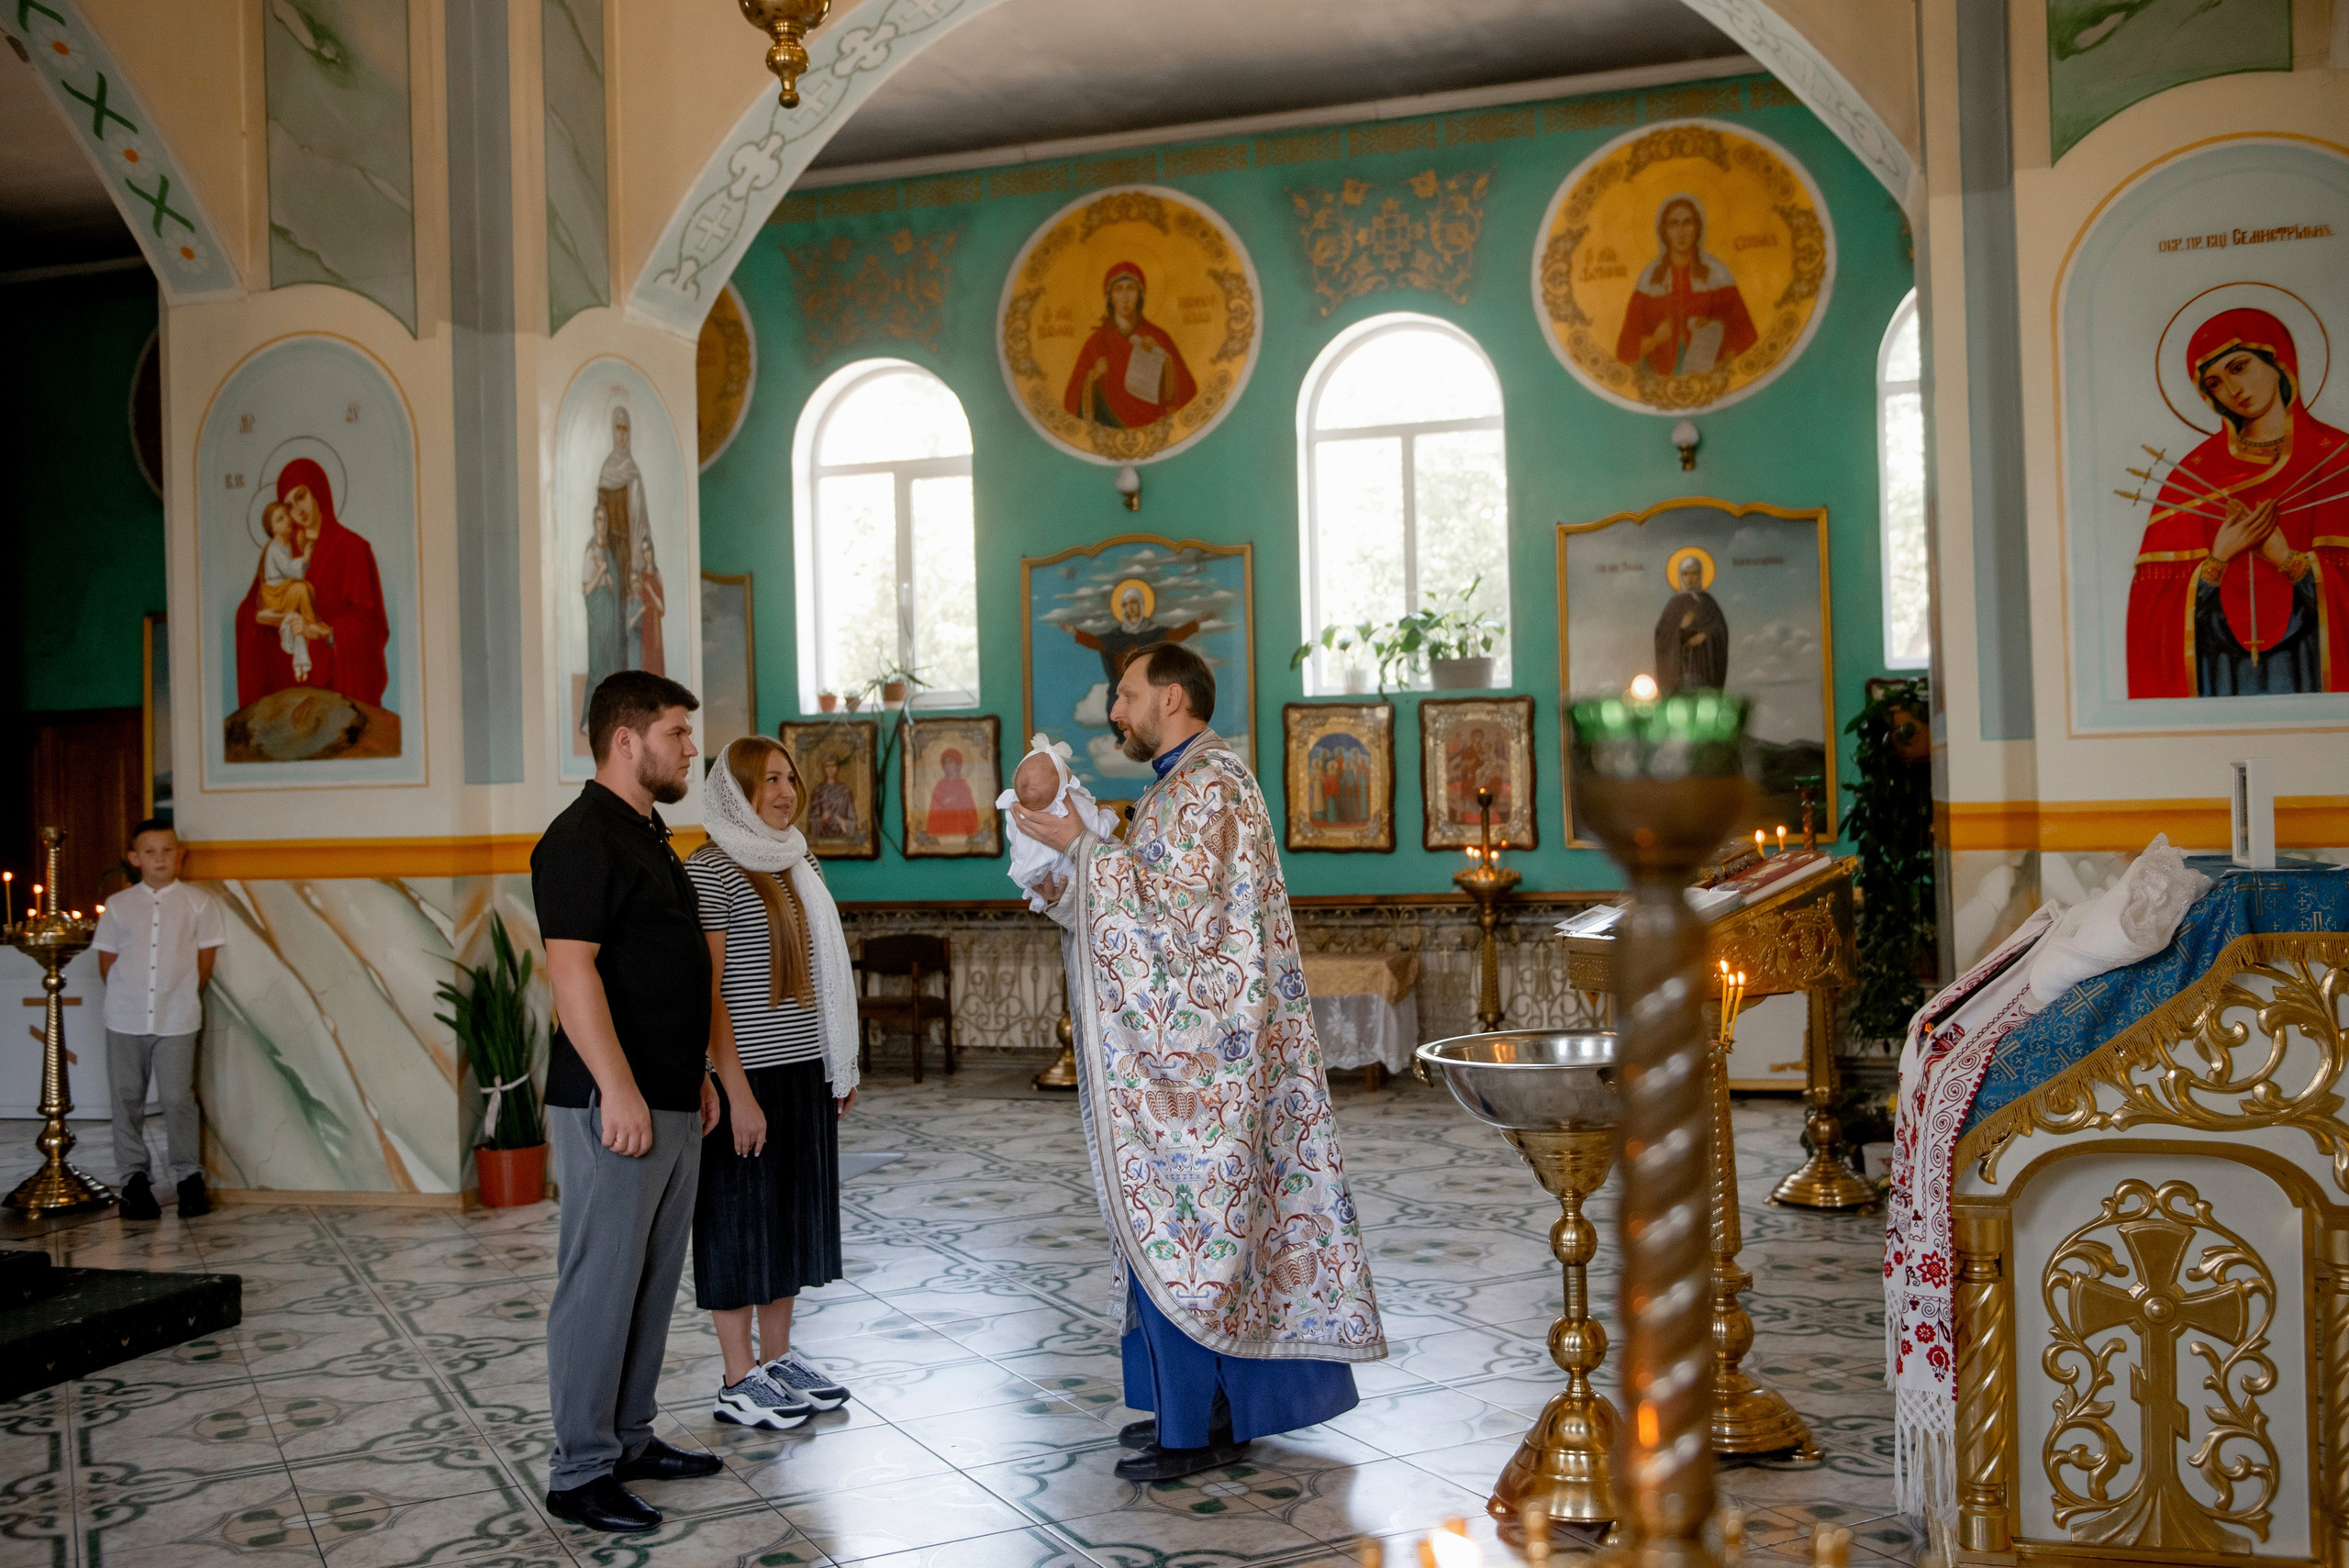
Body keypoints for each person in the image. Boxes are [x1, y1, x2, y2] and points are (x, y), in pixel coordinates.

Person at [1012, 642, 1386, 1483]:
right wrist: (1073, 878)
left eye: (1127, 694)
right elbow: (1158, 908)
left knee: (1193, 1231)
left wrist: (1084, 851)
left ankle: (1199, 1426)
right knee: (1194, 1233)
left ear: (1171, 698)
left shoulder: (1211, 785)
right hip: (1196, 1053)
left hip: (1206, 1063)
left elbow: (1174, 923)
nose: (1115, 711)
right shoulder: (1184, 785)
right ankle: (1199, 1409)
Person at [531, 670, 726, 1533]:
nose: (691, 747)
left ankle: (630, 1437)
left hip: (672, 1098)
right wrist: (618, 1086)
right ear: (626, 737)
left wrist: (698, 1077)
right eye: (678, 732)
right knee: (600, 1282)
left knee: (649, 1282)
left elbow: (672, 972)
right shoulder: (580, 839)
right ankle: (579, 1470)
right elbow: (571, 972)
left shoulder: (651, 834)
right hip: (612, 1102)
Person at [686, 737, 863, 1432]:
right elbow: (707, 993)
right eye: (768, 780)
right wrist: (735, 1091)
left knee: (790, 1215)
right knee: (737, 1219)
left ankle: (779, 1358)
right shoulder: (711, 870)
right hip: (747, 1075)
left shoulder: (796, 858)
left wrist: (837, 1063)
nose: (786, 791)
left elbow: (824, 975)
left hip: (803, 1070)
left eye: (789, 778)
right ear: (735, 791)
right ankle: (737, 1374)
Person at [2125, 307, 2349, 696]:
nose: (2232, 389)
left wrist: (2287, 560)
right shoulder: (2191, 479)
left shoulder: (2337, 461)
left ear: (2277, 360)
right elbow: (2154, 611)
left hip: (2312, 668)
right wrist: (2219, 558)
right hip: (2224, 670)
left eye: (2239, 367)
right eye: (2214, 382)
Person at [92, 818, 223, 1222]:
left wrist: (178, 996)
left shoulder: (199, 903)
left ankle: (189, 1180)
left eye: (168, 850)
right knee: (127, 1097)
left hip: (177, 1017)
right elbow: (107, 963)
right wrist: (129, 998)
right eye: (150, 852)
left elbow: (204, 964)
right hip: (125, 1017)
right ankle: (134, 1182)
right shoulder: (118, 905)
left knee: (177, 1099)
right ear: (135, 859)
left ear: (180, 856)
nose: (160, 859)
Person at [232, 457, 391, 709]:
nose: (298, 509)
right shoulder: (284, 549)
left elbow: (370, 627)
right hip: (287, 689)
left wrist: (324, 633)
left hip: (333, 685)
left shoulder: (352, 549)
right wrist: (270, 619)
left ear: (317, 491)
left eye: (301, 496)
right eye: (288, 505)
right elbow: (251, 608)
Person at [1614, 195, 1758, 377]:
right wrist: (1656, 339)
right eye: (1673, 224)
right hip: (1662, 379)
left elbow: (1746, 337)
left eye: (1687, 223)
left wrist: (1714, 328)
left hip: (1709, 376)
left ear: (1698, 228)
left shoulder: (1718, 275)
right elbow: (1625, 351)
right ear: (1664, 231)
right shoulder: (1649, 280)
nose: (1681, 232)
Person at [1062, 262, 1199, 429]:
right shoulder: (1097, 342)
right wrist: (1092, 377)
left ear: (1140, 295)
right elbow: (1071, 400)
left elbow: (1186, 391)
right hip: (1110, 424)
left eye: (1131, 289)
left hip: (1155, 426)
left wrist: (1161, 358)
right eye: (1118, 290)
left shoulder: (1159, 337)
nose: (1125, 297)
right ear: (1110, 297)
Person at [996, 733, 1118, 914]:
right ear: (1066, 783)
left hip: (1037, 874)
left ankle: (1039, 902)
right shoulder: (1075, 806)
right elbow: (1101, 831)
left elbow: (1015, 843)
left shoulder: (1015, 809)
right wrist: (1109, 813)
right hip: (1078, 875)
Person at [255, 500, 329, 684]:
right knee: (301, 588)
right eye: (280, 519)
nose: (287, 520)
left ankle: (310, 629)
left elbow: (299, 572)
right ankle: (313, 623)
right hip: (275, 594)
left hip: (283, 590)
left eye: (286, 516)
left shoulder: (287, 543)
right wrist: (305, 557)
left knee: (305, 588)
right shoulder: (274, 548)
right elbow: (290, 569)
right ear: (272, 529)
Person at [1654, 551, 1731, 694]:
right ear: (1680, 576)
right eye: (1686, 573)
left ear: (1700, 575)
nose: (1690, 578)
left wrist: (1705, 636)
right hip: (1680, 668)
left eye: (1694, 573)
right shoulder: (1674, 604)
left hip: (1704, 666)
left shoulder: (1708, 602)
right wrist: (1680, 629)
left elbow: (1720, 630)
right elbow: (1662, 636)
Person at [924, 748, 981, 837]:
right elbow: (933, 811)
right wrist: (944, 803)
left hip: (961, 828)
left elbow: (970, 812)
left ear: (958, 764)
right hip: (943, 828)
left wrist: (957, 803)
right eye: (945, 763)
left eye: (951, 762)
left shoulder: (963, 786)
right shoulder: (939, 786)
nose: (948, 765)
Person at [807, 751, 859, 841]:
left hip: (842, 837)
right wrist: (822, 819)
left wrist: (845, 823)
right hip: (822, 838)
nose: (830, 769)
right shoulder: (818, 791)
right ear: (823, 768)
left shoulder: (845, 791)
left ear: (838, 768)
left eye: (833, 766)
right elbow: (811, 822)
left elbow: (853, 820)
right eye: (827, 766)